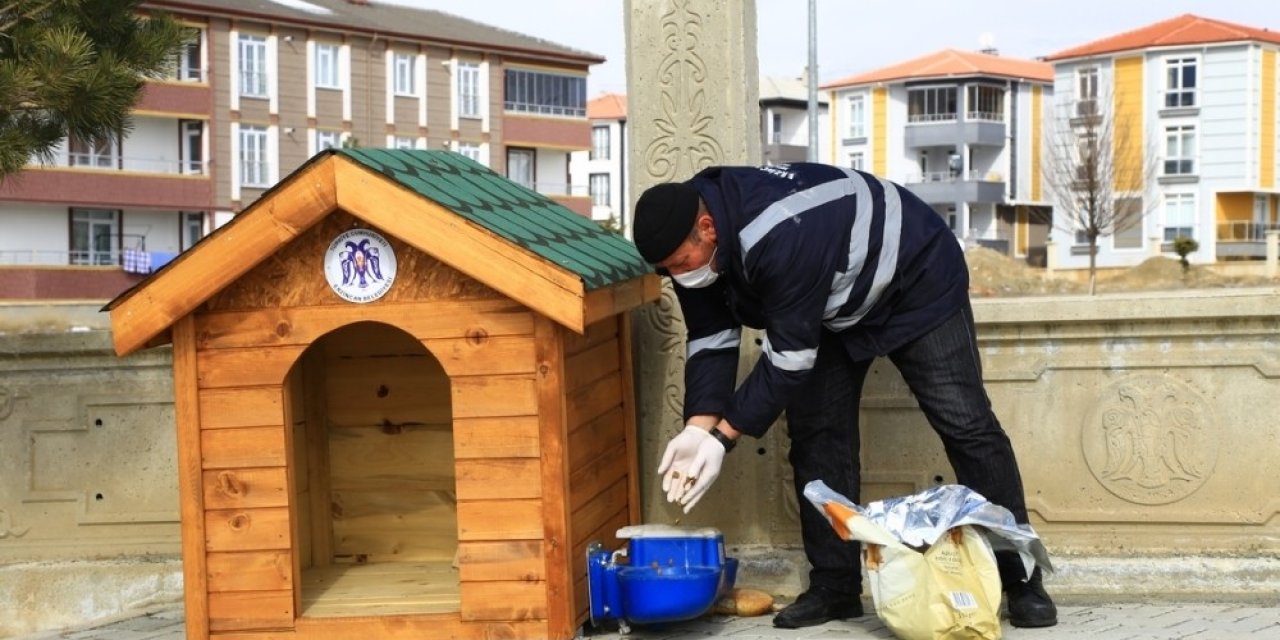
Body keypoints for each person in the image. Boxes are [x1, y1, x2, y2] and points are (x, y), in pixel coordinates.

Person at [631, 163, 1057, 630]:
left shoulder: (777, 232)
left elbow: (790, 360)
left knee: (966, 424)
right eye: (666, 269)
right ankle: (834, 587)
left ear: (707, 229)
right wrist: (698, 426)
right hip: (830, 301)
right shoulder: (690, 242)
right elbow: (711, 337)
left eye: (678, 265)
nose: (677, 276)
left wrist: (724, 438)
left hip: (916, 279)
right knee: (817, 435)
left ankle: (1022, 580)